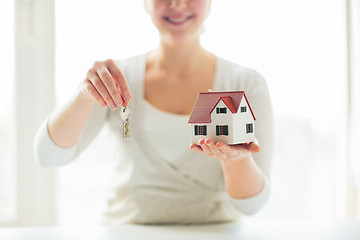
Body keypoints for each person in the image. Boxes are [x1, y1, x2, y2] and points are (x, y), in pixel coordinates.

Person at [34, 0, 273, 225]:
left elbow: (252, 206)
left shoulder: (244, 82)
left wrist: (236, 160)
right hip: (125, 232)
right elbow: (48, 157)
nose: (177, 4)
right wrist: (84, 95)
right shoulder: (116, 79)